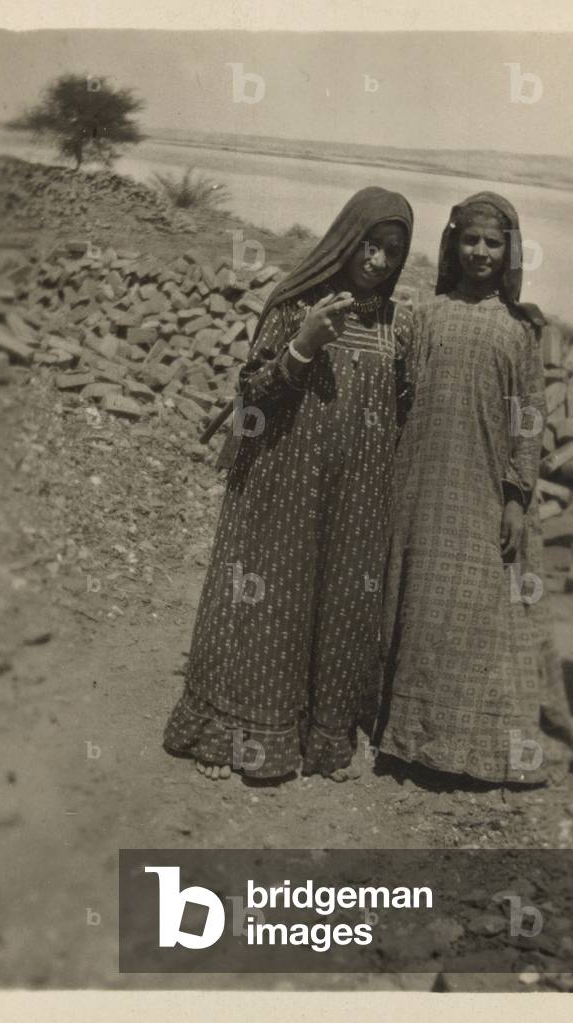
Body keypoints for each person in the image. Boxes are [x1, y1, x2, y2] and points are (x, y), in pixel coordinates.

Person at [163, 187, 415, 782]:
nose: (376, 262)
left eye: (391, 253)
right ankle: (229, 734)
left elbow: (401, 409)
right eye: (369, 246)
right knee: (267, 603)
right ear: (345, 239)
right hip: (283, 483)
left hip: (354, 496)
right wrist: (304, 345)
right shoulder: (295, 305)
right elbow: (253, 397)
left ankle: (321, 739)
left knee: (336, 606)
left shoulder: (396, 328)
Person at [375, 191, 573, 786]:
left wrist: (517, 495)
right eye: (470, 240)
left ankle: (473, 748)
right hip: (421, 486)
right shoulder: (426, 314)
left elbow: (530, 419)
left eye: (493, 243)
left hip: (484, 489)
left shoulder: (518, 331)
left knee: (476, 613)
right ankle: (404, 737)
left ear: (509, 251)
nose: (480, 252)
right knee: (415, 603)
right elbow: (397, 397)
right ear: (452, 244)